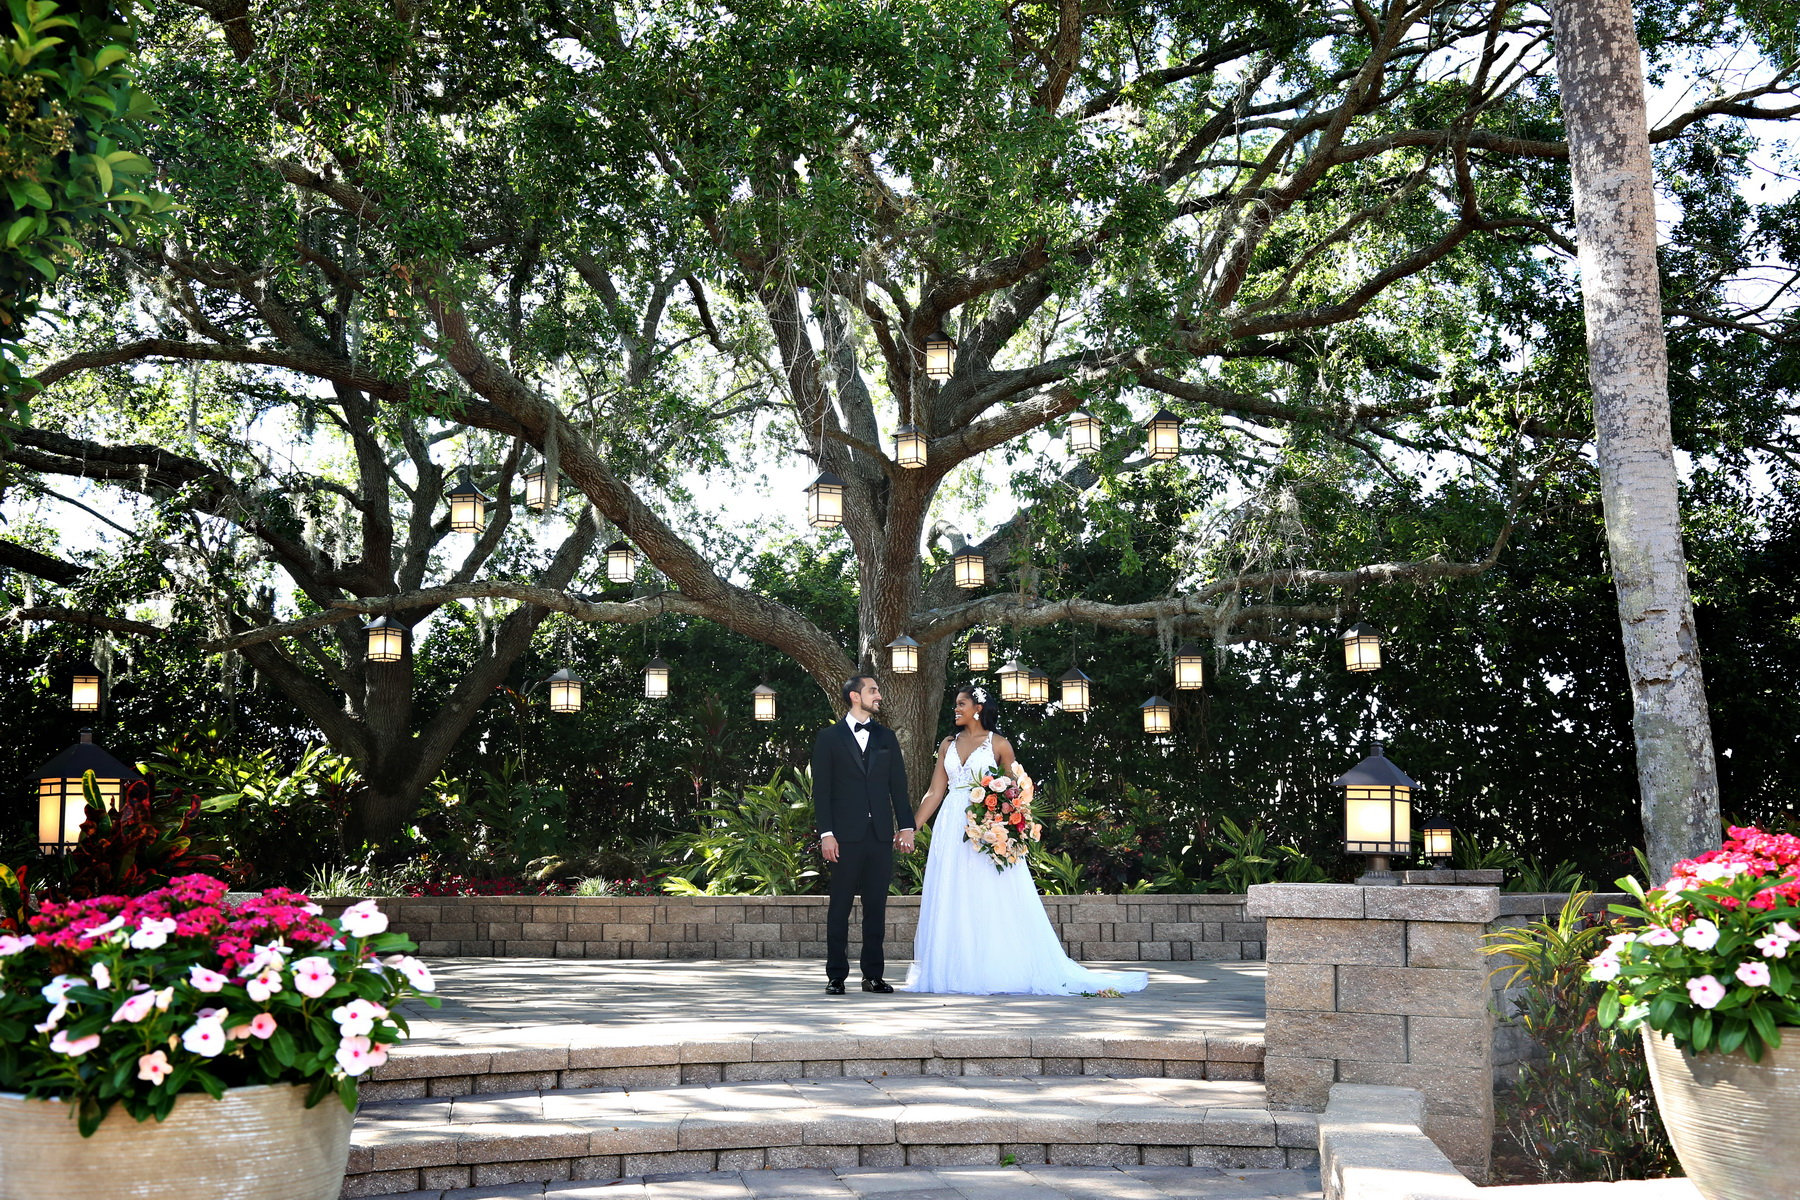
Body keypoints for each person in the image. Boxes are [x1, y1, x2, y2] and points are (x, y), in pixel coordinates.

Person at [902, 685, 1149, 996]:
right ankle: (953, 970)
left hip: (984, 828)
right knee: (951, 894)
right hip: (950, 826)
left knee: (987, 895)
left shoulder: (1000, 744)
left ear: (978, 708)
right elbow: (935, 792)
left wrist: (1005, 825)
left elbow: (1015, 794)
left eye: (961, 704)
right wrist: (910, 827)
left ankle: (993, 969)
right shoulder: (947, 744)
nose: (956, 709)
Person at [811, 674, 914, 995]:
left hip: (880, 836)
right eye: (873, 690)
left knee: (876, 908)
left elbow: (898, 785)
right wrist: (827, 833)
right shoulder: (829, 738)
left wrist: (906, 826)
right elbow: (822, 792)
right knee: (839, 907)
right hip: (843, 837)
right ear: (855, 696)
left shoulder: (886, 737)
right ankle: (836, 976)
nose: (878, 695)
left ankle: (873, 975)